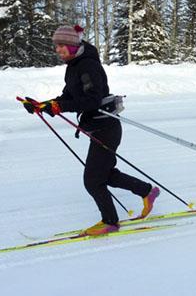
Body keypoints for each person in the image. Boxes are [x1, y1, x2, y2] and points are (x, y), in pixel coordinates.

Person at [22, 25, 159, 236]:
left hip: (106, 127)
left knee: (93, 180)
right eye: (56, 46)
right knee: (105, 174)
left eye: (60, 46)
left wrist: (59, 107)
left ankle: (110, 222)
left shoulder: (88, 66)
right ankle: (147, 191)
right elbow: (68, 98)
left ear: (71, 45)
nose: (57, 50)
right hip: (97, 127)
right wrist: (43, 105)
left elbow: (92, 100)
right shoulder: (74, 66)